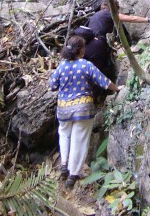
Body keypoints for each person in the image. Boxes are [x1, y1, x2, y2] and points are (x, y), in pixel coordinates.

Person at [50, 35, 121, 189]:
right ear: (81, 50)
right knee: (79, 139)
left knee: (64, 134)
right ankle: (73, 173)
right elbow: (103, 81)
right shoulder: (85, 65)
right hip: (83, 108)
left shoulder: (62, 66)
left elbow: (52, 85)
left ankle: (64, 163)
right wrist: (117, 88)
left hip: (63, 108)